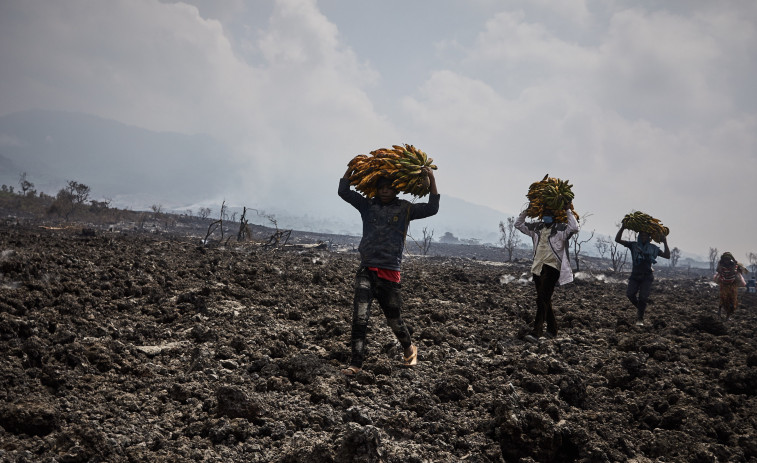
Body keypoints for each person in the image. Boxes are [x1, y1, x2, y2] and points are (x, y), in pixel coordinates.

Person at [337, 166, 439, 376]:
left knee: (394, 320)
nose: (384, 191)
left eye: (389, 188)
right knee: (360, 317)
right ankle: (356, 363)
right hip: (367, 269)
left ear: (396, 190)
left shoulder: (405, 209)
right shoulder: (367, 205)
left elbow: (432, 208)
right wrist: (350, 171)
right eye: (381, 187)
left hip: (390, 272)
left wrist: (431, 177)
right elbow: (344, 192)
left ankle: (410, 349)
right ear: (376, 189)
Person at [515, 206, 579, 342]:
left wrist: (567, 210)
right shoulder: (536, 229)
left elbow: (574, 228)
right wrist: (527, 211)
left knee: (541, 299)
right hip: (537, 267)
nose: (546, 216)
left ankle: (536, 332)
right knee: (545, 300)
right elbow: (518, 224)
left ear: (555, 216)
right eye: (544, 214)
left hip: (552, 267)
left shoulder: (561, 230)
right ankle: (552, 330)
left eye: (549, 214)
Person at [614, 225, 670, 326]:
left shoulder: (653, 248)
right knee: (630, 294)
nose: (643, 238)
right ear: (639, 236)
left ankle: (640, 318)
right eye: (642, 235)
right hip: (635, 275)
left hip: (647, 276)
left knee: (643, 298)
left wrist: (665, 242)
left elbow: (667, 256)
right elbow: (617, 239)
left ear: (649, 238)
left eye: (645, 236)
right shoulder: (634, 246)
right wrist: (623, 227)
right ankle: (641, 309)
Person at [714, 252, 747, 320]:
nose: (727, 261)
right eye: (725, 260)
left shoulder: (734, 265)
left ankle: (727, 316)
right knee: (723, 298)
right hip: (724, 285)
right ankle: (719, 311)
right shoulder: (721, 265)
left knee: (732, 301)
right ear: (723, 260)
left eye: (728, 260)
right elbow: (718, 270)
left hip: (732, 286)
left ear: (730, 260)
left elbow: (739, 271)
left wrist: (737, 266)